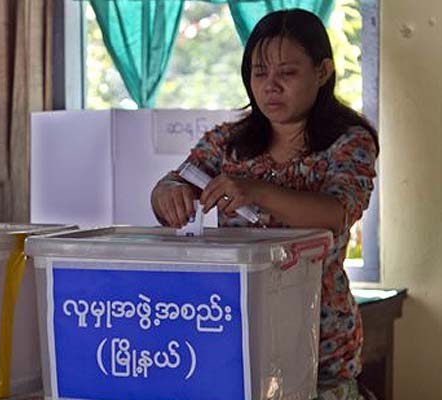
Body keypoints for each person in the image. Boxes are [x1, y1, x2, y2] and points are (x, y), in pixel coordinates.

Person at [151, 9, 378, 400]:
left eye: (287, 73)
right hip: (234, 332)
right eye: (260, 73)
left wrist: (255, 190)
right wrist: (169, 192)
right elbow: (179, 178)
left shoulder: (348, 142)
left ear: (322, 72)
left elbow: (338, 212)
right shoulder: (228, 142)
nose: (271, 86)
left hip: (319, 340)